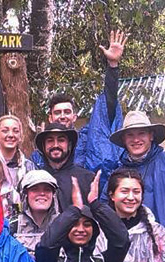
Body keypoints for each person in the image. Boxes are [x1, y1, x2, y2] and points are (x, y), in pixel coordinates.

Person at [102, 111, 165, 262]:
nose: (136, 139)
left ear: (151, 135)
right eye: (130, 135)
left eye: (142, 133)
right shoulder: (115, 176)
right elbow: (106, 218)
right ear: (123, 140)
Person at [31, 30, 126, 170]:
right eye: (57, 112)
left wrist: (112, 66)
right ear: (50, 118)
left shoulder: (87, 140)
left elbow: (107, 110)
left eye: (67, 111)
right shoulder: (39, 155)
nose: (62, 116)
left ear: (74, 117)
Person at [33, 123, 96, 212]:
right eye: (50, 140)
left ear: (69, 145)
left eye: (61, 140)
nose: (55, 145)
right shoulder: (36, 179)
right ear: (43, 146)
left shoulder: (87, 178)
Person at [9, 170, 60, 258]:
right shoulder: (12, 226)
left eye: (47, 190)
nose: (42, 193)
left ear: (53, 195)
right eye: (35, 189)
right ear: (25, 195)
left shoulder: (63, 224)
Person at [0, 115, 36, 185]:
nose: (11, 135)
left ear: (20, 136)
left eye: (15, 131)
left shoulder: (29, 167)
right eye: (5, 131)